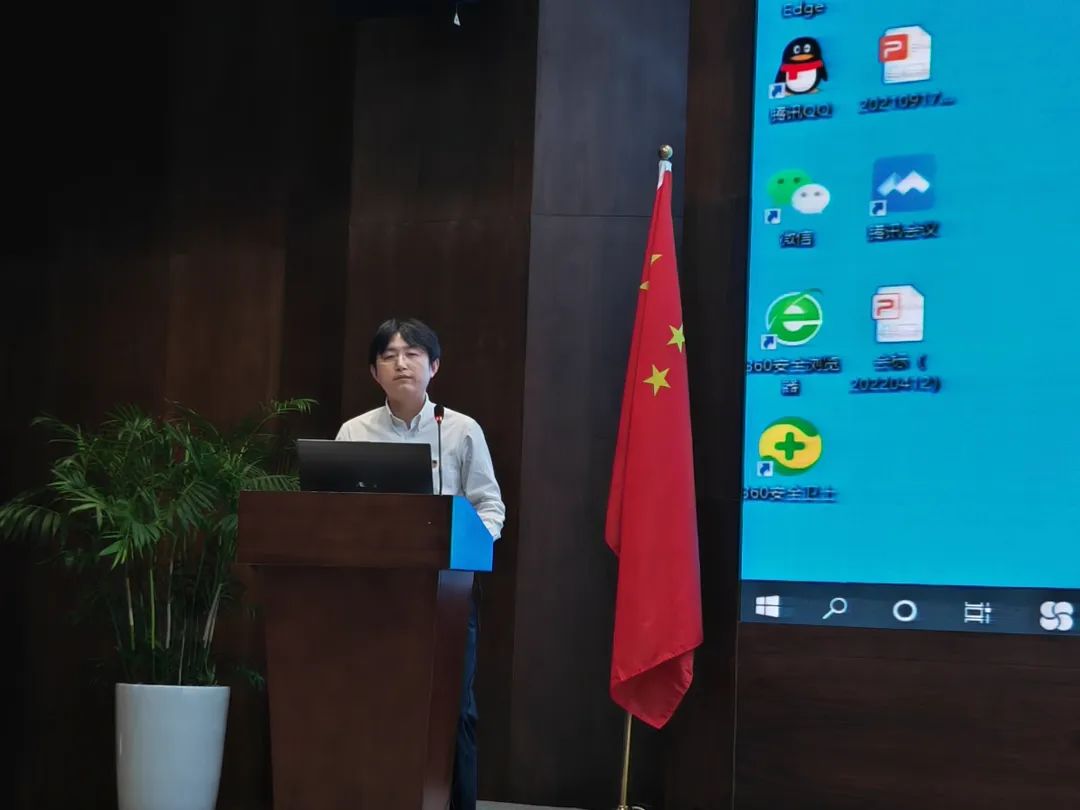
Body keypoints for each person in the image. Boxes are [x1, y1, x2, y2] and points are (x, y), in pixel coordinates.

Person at [335, 317, 504, 810]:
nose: (401, 363)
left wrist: (468, 551)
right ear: (374, 372)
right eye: (389, 355)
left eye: (412, 354)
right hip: (376, 593)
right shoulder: (354, 431)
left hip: (446, 591)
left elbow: (490, 506)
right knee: (379, 705)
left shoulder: (461, 429)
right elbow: (335, 509)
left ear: (434, 366)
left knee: (456, 710)